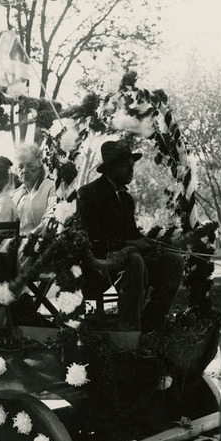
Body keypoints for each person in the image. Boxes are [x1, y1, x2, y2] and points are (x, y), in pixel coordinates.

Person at [76, 140, 183, 333]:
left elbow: (132, 233)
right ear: (112, 167)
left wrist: (150, 243)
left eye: (132, 165)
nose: (131, 170)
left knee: (174, 261)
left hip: (126, 261)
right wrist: (131, 244)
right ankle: (129, 327)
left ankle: (152, 324)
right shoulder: (88, 193)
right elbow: (92, 241)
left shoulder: (125, 198)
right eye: (127, 165)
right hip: (100, 264)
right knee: (134, 260)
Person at [11, 144, 56, 235]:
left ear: (40, 167)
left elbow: (51, 218)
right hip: (17, 244)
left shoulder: (51, 187)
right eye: (20, 167)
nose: (24, 170)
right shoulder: (15, 195)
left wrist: (31, 236)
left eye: (30, 166)